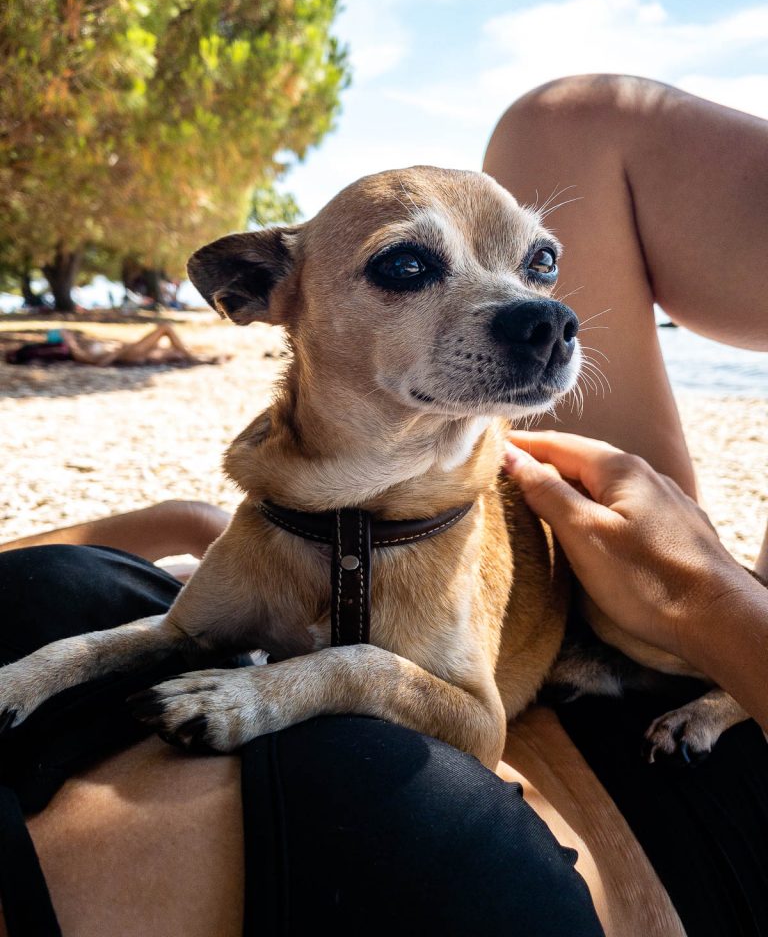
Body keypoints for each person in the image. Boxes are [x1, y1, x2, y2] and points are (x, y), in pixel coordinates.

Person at [0, 75, 766, 936]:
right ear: (268, 292)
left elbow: (476, 722)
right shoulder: (274, 508)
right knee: (562, 121)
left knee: (566, 122)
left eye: (537, 265)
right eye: (410, 266)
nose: (538, 313)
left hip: (648, 693)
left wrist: (713, 605)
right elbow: (178, 633)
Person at [5, 324, 223, 367]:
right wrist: (116, 353)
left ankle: (204, 359)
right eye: (65, 333)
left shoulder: (82, 344)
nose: (68, 332)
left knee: (173, 352)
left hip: (130, 353)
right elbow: (99, 363)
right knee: (164, 328)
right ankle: (195, 359)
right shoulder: (76, 351)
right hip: (126, 355)